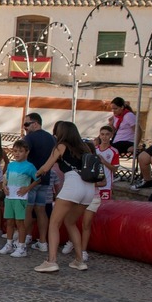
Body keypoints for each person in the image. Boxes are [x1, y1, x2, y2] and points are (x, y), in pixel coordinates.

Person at [32, 122, 97, 273]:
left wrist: (36, 173)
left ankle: (51, 261)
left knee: (54, 223)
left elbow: (46, 167)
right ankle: (80, 260)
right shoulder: (85, 148)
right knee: (70, 222)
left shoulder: (61, 146)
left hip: (72, 185)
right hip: (88, 189)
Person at [66, 125, 119, 263]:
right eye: (102, 134)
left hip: (100, 190)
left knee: (87, 222)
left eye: (107, 134)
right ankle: (73, 241)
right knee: (73, 220)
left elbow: (113, 170)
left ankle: (82, 250)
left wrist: (103, 162)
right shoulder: (90, 153)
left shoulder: (113, 152)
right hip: (83, 193)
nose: (105, 137)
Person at [20, 112, 56, 252]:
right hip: (45, 178)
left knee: (28, 209)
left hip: (30, 179)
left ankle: (24, 238)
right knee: (41, 210)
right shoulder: (51, 138)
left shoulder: (30, 137)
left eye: (27, 124)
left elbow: (22, 155)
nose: (25, 127)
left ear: (35, 123)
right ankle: (42, 241)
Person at [0, 140, 40, 257]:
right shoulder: (11, 165)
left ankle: (21, 247)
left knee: (20, 222)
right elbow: (6, 178)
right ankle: (9, 244)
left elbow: (38, 179)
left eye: (20, 151)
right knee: (9, 221)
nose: (17, 154)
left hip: (20, 198)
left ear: (27, 152)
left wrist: (27, 188)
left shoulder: (30, 167)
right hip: (9, 197)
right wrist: (4, 186)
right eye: (15, 151)